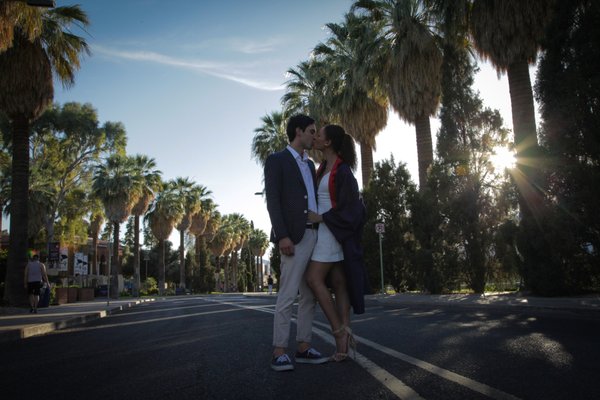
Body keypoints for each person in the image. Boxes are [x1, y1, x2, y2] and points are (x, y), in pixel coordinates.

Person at [264, 114, 329, 371]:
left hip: (314, 234)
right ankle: (279, 351)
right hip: (293, 236)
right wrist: (282, 236)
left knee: (309, 295)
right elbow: (273, 201)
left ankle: (303, 346)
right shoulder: (277, 160)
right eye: (311, 131)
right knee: (288, 294)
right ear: (298, 131)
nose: (315, 136)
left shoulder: (311, 165)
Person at [305, 124, 369, 362]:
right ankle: (345, 335)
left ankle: (339, 332)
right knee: (340, 282)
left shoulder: (342, 172)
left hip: (331, 232)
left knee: (314, 278)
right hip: (325, 231)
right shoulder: (322, 168)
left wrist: (322, 218)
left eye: (319, 135)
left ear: (328, 142)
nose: (315, 138)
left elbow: (352, 208)